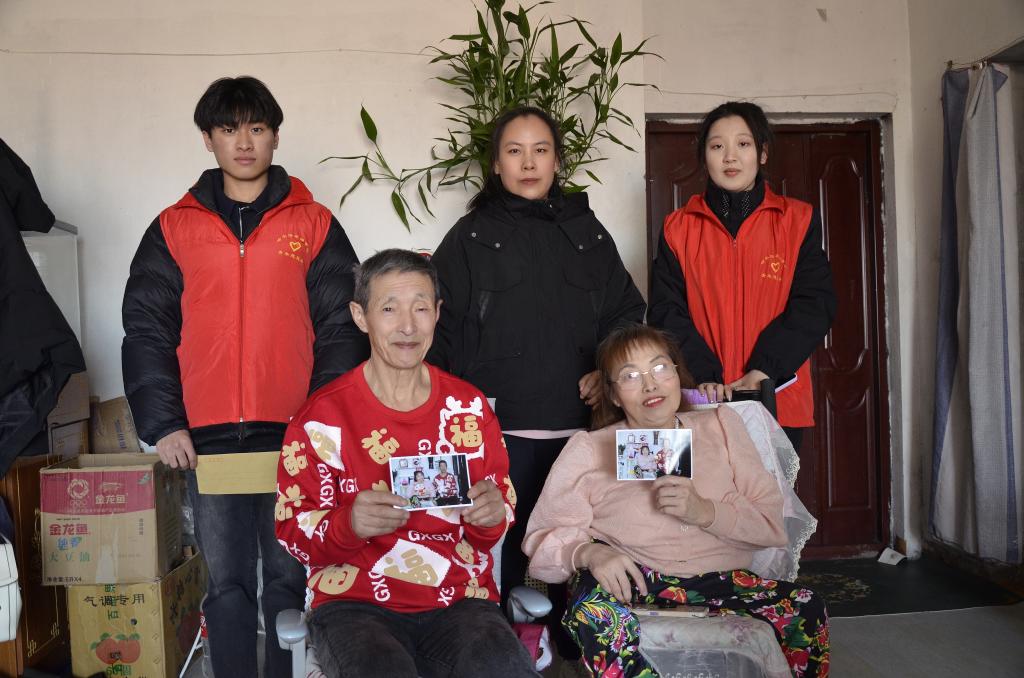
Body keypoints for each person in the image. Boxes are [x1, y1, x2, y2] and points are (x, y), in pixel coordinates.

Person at [121, 76, 367, 678]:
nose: (244, 142)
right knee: (226, 583)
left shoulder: (313, 223)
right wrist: (165, 425)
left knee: (287, 578)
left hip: (292, 433)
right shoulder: (174, 227)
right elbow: (147, 328)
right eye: (229, 129)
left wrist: (322, 423)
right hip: (205, 438)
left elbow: (342, 327)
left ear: (275, 136)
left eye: (257, 128)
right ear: (208, 140)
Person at [427, 106, 646, 628]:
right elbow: (438, 329)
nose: (528, 163)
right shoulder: (469, 237)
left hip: (581, 433)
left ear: (557, 161)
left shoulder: (587, 232)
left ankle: (575, 646)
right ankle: (503, 644)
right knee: (499, 549)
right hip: (499, 432)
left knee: (582, 544)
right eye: (515, 151)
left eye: (540, 150)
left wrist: (605, 369)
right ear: (496, 164)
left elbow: (625, 313)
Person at [274, 249, 538, 678]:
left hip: (461, 602)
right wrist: (348, 524)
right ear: (360, 316)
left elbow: (498, 515)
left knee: (504, 668)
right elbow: (292, 531)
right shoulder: (321, 418)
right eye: (389, 309)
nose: (408, 326)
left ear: (437, 313)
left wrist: (491, 517)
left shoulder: (468, 409)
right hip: (354, 604)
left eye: (420, 308)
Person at [523, 324, 830, 677]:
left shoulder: (721, 425)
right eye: (630, 376)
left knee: (807, 608)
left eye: (659, 368)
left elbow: (772, 526)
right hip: (633, 581)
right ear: (613, 394)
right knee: (592, 609)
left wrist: (706, 512)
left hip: (721, 581)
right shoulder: (589, 448)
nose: (650, 385)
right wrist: (587, 553)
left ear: (676, 373)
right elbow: (540, 541)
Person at [647, 101, 836, 451]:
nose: (730, 157)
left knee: (770, 489)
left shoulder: (798, 220)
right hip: (703, 398)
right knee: (699, 487)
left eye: (743, 144)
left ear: (762, 153)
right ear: (704, 156)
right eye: (717, 146)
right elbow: (665, 311)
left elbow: (815, 304)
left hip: (776, 397)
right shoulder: (678, 228)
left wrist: (764, 369)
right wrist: (704, 374)